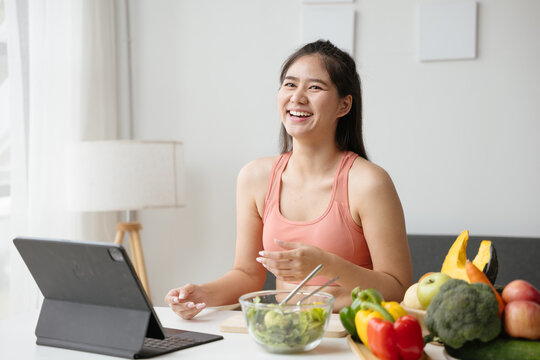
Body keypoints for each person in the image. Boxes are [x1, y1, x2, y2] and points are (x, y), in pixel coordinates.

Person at [165, 40, 413, 320]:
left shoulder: (369, 183)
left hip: (351, 335)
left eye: (315, 87)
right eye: (290, 84)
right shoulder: (254, 178)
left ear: (344, 105)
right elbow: (247, 274)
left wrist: (327, 265)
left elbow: (399, 288)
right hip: (287, 332)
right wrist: (203, 294)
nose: (297, 97)